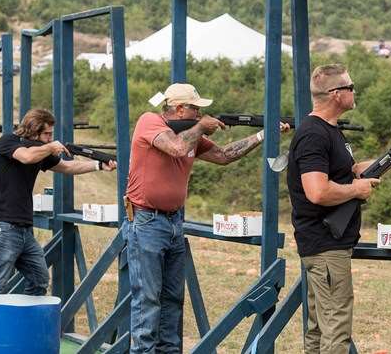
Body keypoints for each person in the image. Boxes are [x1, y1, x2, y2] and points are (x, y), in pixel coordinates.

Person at [124, 83, 289, 353]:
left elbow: (224, 156)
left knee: (172, 298)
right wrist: (201, 127)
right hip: (146, 221)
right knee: (148, 299)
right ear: (178, 108)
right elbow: (177, 148)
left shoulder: (190, 135)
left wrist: (262, 135)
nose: (200, 113)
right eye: (195, 108)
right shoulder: (149, 121)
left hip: (174, 222)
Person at [286, 64, 391, 354]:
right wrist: (356, 190)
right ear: (336, 94)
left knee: (320, 328)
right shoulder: (314, 134)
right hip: (325, 244)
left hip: (324, 245)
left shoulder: (328, 131)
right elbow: (317, 191)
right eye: (350, 87)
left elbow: (349, 170)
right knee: (335, 328)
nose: (354, 91)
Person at [0, 108, 116, 297]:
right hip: (3, 225)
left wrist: (98, 165)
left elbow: (67, 166)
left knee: (39, 279)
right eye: (47, 134)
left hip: (24, 228)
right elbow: (26, 157)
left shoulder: (40, 151)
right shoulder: (9, 141)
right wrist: (50, 147)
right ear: (33, 130)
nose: (50, 138)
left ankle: (24, 323)